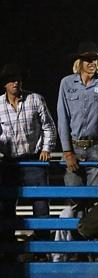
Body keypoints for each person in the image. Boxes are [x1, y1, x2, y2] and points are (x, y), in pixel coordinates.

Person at [0, 63, 57, 242]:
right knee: (7, 206)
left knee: (40, 205)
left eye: (18, 79)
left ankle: (42, 247)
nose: (15, 83)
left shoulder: (35, 99)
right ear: (5, 84)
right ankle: (9, 248)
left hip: (34, 160)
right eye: (11, 80)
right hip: (9, 162)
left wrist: (47, 148)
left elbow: (49, 127)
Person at [57, 41, 98, 187]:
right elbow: (62, 118)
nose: (92, 63)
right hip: (74, 147)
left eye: (95, 60)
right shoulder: (66, 83)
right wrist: (67, 152)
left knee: (96, 199)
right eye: (88, 60)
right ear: (80, 62)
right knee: (74, 196)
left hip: (97, 148)